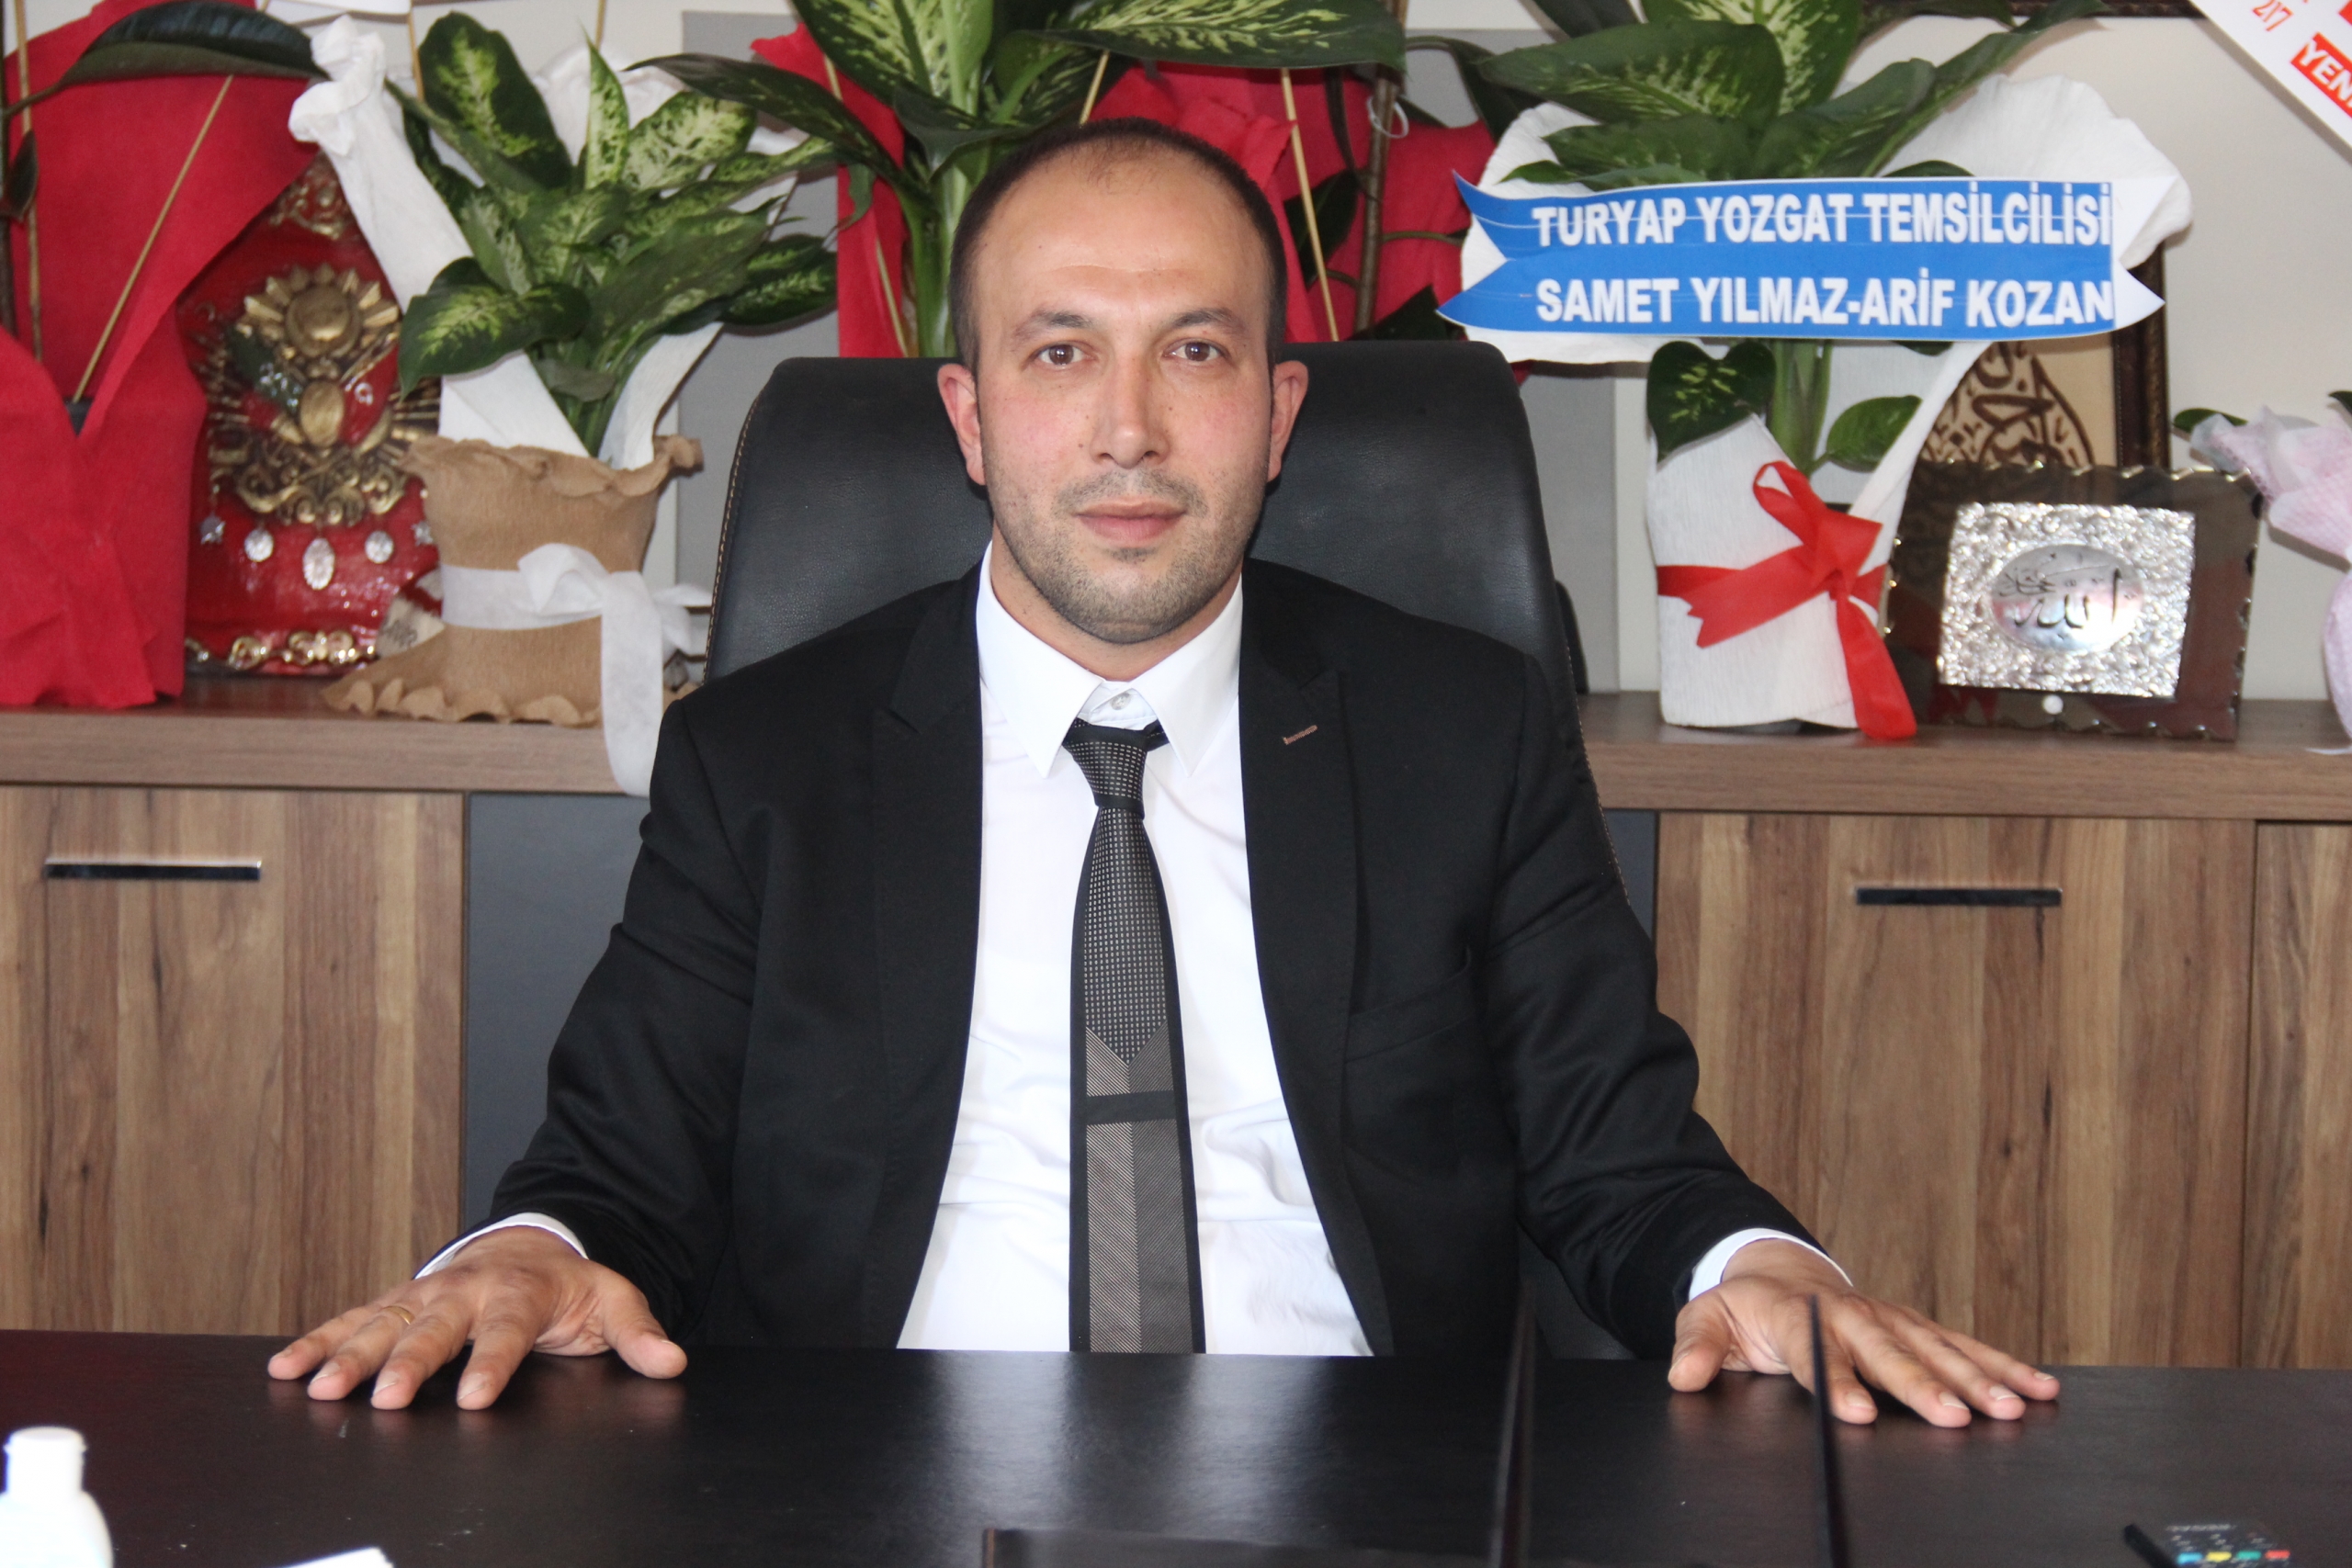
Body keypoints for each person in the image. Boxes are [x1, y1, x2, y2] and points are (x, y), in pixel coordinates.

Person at [272, 118, 2058, 1428]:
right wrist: (524, 1250)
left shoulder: (1461, 730)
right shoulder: (769, 758)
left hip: (1365, 1485)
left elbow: (1615, 1155)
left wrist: (1753, 1267)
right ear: (971, 418)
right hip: (869, 1481)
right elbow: (614, 1162)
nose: (1128, 427)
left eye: (1193, 352)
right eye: (1061, 353)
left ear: (1277, 416)